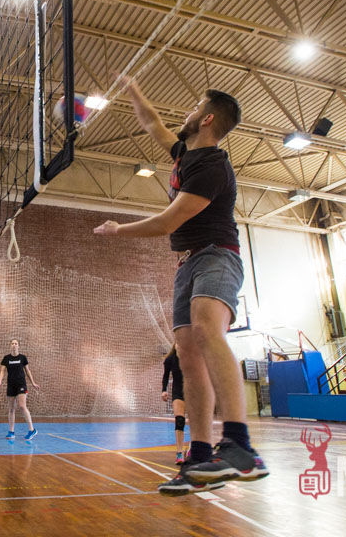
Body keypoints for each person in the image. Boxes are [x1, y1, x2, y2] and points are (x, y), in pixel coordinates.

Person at [94, 77, 268, 496]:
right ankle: (200, 456)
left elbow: (168, 221)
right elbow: (152, 123)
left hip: (217, 255)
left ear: (206, 119)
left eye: (194, 107)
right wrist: (132, 88)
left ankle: (240, 445)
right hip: (187, 264)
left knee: (207, 331)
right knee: (188, 357)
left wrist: (118, 230)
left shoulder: (213, 166)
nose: (186, 113)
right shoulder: (183, 154)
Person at [0, 339, 40, 440]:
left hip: (21, 384)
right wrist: (0, 380)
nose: (14, 345)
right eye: (12, 343)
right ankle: (11, 432)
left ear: (18, 346)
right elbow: (2, 371)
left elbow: (28, 371)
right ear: (10, 345)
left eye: (16, 343)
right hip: (11, 385)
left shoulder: (22, 358)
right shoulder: (6, 358)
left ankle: (32, 430)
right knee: (11, 409)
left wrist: (33, 382)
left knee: (22, 406)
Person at [161, 345, 187, 464]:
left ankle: (193, 448)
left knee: (197, 422)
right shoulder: (170, 359)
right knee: (179, 420)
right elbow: (166, 375)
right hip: (178, 393)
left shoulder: (192, 357)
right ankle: (179, 452)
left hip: (193, 392)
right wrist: (164, 390)